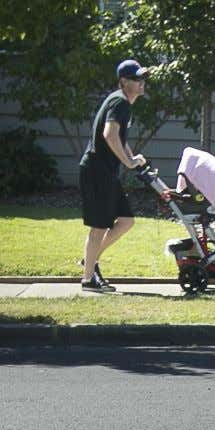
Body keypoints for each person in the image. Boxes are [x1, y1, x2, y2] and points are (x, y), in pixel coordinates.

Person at [79, 59, 151, 294]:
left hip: (105, 171)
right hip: (97, 170)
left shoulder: (119, 101)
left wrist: (132, 158)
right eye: (136, 79)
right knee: (99, 226)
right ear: (124, 82)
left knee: (126, 220)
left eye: (142, 78)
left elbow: (119, 138)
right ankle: (88, 279)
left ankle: (90, 261)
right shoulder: (120, 102)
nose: (141, 83)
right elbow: (109, 134)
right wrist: (128, 162)